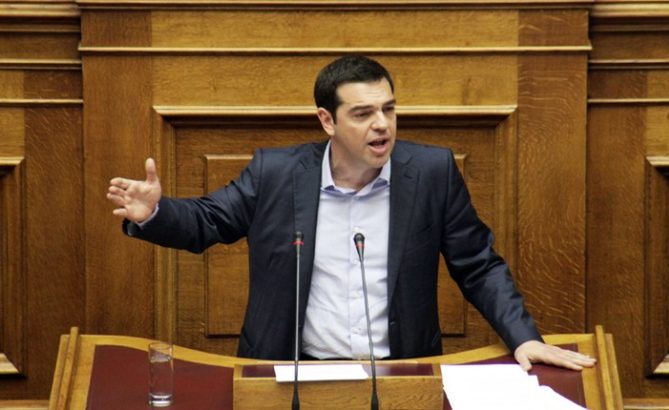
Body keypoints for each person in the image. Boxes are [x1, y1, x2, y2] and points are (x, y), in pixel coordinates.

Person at [107, 55, 596, 371]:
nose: (382, 125)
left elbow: (478, 265)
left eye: (388, 109)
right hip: (294, 373)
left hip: (401, 373)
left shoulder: (432, 172)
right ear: (327, 120)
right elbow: (208, 221)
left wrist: (523, 338)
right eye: (363, 114)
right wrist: (154, 213)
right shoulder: (276, 173)